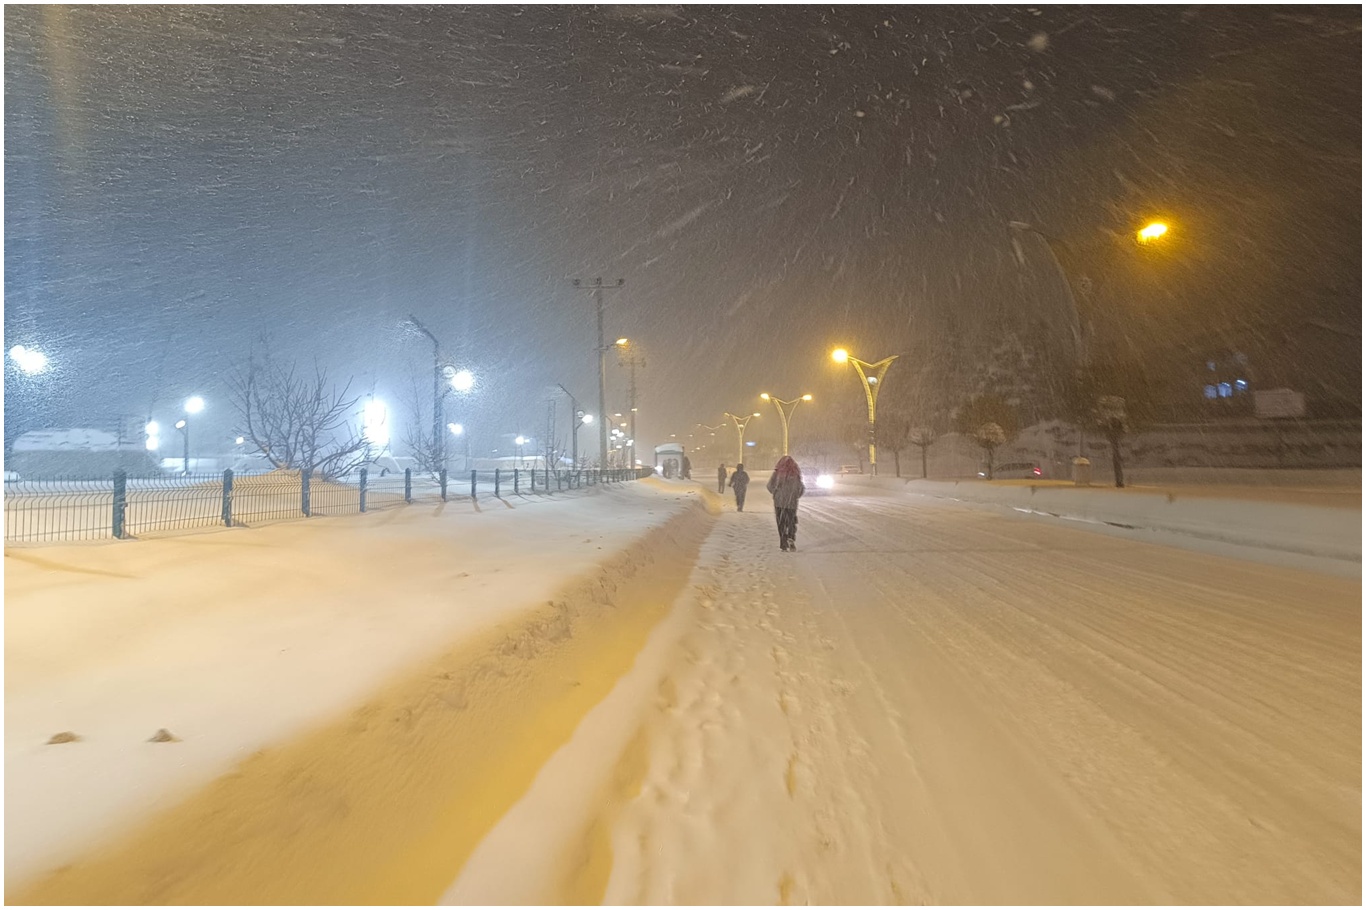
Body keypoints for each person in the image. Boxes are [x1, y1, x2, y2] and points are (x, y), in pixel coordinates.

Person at [766, 455, 806, 551]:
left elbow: (769, 485)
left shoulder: (777, 473)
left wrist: (775, 492)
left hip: (779, 503)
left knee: (781, 523)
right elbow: (801, 488)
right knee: (791, 521)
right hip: (791, 503)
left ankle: (783, 544)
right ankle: (791, 537)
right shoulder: (795, 473)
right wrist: (795, 496)